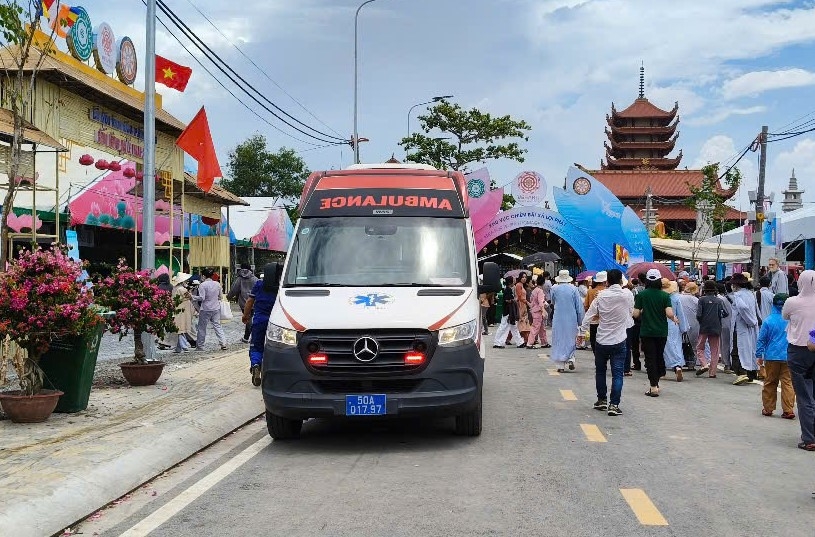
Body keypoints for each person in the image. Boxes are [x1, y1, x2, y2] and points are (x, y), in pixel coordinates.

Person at [580, 269, 633, 416]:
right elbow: (630, 312)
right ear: (621, 281)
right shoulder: (627, 295)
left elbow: (589, 315)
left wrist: (581, 332)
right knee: (617, 374)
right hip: (619, 339)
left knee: (600, 371)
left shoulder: (601, 296)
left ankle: (601, 400)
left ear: (607, 281)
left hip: (602, 339)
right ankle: (614, 405)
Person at [781, 270, 815, 451]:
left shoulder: (792, 302)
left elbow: (785, 316)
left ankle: (809, 438)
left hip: (798, 352)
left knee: (804, 396)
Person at [633, 269, 678, 397]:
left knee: (650, 358)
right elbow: (669, 313)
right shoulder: (665, 296)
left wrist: (642, 311)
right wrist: (674, 318)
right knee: (658, 356)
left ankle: (653, 386)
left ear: (647, 280)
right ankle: (656, 382)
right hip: (662, 331)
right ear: (659, 280)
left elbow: (635, 314)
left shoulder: (641, 295)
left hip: (647, 331)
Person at [757, 293, 796, 419]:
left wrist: (759, 354)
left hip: (771, 356)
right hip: (788, 356)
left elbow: (761, 339)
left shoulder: (768, 320)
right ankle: (788, 410)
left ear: (773, 304)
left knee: (770, 382)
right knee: (788, 383)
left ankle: (768, 408)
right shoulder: (792, 320)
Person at [243, 263, 281, 386]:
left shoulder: (259, 284)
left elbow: (250, 301)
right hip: (276, 321)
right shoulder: (282, 286)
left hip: (259, 320)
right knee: (277, 345)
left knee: (256, 345)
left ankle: (256, 365)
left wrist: (246, 315)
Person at [549, 270, 584, 372]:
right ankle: (571, 358)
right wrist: (580, 321)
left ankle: (560, 365)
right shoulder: (574, 289)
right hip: (571, 317)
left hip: (558, 317)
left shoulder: (554, 289)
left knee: (559, 339)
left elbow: (553, 302)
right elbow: (579, 307)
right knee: (570, 338)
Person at [731, 272, 760, 385]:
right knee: (750, 348)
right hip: (751, 326)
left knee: (739, 349)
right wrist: (754, 321)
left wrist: (749, 320)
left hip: (741, 326)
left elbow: (742, 308)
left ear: (736, 285)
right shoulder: (750, 294)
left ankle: (742, 373)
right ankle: (751, 373)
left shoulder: (738, 295)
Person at [695, 280, 728, 377]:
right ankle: (712, 372)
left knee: (700, 347)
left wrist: (701, 321)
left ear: (704, 290)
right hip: (716, 326)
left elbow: (699, 314)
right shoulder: (719, 301)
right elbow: (726, 313)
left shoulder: (701, 300)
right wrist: (718, 316)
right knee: (715, 350)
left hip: (704, 326)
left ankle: (704, 364)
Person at [193, 268, 227, 351]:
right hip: (216, 307)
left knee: (202, 327)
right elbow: (220, 297)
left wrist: (192, 297)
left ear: (203, 276)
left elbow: (202, 297)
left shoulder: (202, 285)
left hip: (205, 308)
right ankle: (223, 343)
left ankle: (200, 345)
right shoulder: (217, 284)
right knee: (217, 325)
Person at [663, 278, 689, 382]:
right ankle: (678, 365)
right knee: (677, 345)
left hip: (663, 324)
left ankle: (673, 366)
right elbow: (681, 314)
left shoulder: (662, 297)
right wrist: (684, 328)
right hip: (674, 324)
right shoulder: (676, 298)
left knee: (666, 347)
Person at [228, 262, 258, 343]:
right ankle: (247, 337)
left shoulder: (239, 279)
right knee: (250, 318)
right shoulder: (255, 279)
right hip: (254, 302)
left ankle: (248, 338)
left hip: (243, 303)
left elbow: (233, 290)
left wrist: (228, 297)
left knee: (248, 319)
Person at [493, 277, 523, 349]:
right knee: (504, 327)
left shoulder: (507, 289)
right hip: (508, 311)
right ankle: (498, 342)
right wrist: (514, 300)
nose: (514, 281)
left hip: (509, 311)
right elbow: (507, 300)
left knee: (513, 327)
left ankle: (520, 342)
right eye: (513, 280)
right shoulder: (508, 290)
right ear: (510, 282)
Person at [167, 272, 193, 353]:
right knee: (181, 329)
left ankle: (178, 348)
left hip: (178, 309)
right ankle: (184, 346)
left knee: (179, 328)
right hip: (182, 310)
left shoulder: (175, 288)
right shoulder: (182, 289)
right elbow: (189, 296)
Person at [584, 271, 608, 352]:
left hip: (593, 320)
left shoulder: (590, 291)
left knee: (593, 339)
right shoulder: (607, 292)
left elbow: (586, 306)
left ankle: (596, 354)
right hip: (604, 321)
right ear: (605, 281)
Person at [626, 273, 646, 371]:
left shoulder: (635, 291)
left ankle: (636, 363)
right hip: (646, 319)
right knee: (646, 341)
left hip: (636, 319)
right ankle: (648, 363)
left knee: (635, 342)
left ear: (639, 280)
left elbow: (632, 304)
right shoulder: (648, 290)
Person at [526, 275, 550, 349]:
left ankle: (544, 342)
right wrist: (543, 311)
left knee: (541, 328)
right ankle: (530, 343)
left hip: (534, 310)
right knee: (536, 327)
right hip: (538, 311)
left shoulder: (534, 290)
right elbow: (540, 302)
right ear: (543, 283)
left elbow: (531, 300)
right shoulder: (540, 291)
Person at [679, 281, 700, 370]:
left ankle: (680, 362)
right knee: (693, 344)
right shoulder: (696, 300)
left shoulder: (679, 297)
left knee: (680, 343)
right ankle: (692, 362)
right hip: (694, 324)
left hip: (680, 323)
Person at [515, 272, 531, 348]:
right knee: (522, 322)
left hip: (523, 306)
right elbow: (519, 297)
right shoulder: (518, 285)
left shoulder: (522, 285)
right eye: (523, 277)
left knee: (523, 322)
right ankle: (525, 339)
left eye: (525, 277)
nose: (524, 278)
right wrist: (527, 302)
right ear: (520, 277)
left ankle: (524, 339)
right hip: (520, 305)